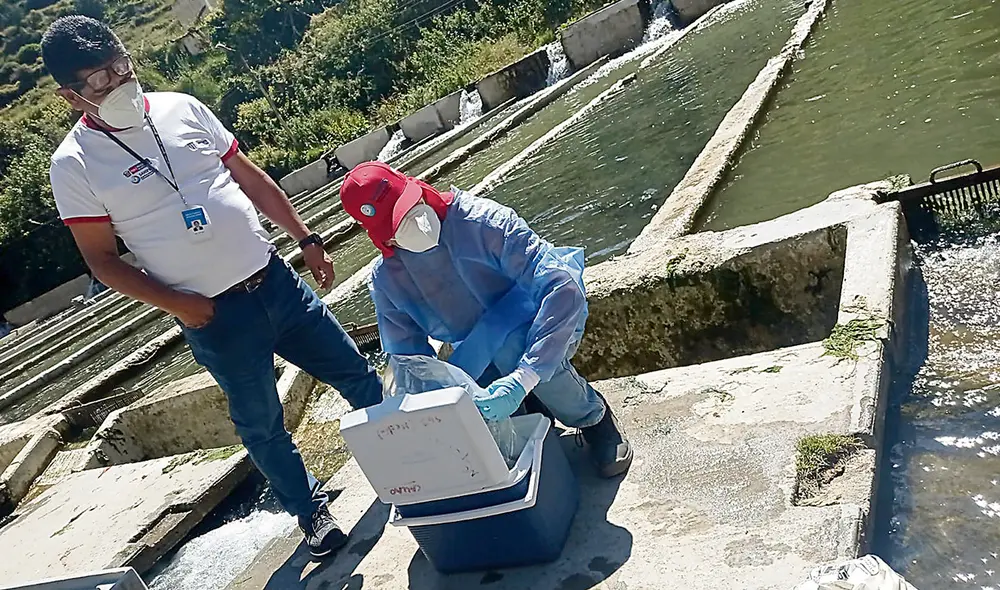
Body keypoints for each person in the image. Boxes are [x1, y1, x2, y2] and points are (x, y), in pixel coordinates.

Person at [41, 16, 381, 557]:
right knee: (263, 426)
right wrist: (183, 306)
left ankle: (408, 456)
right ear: (71, 95)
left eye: (121, 64)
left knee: (359, 376)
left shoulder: (181, 107)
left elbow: (247, 176)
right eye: (99, 79)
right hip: (216, 317)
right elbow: (102, 262)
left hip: (276, 281)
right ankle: (311, 511)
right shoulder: (75, 164)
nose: (119, 81)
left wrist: (306, 237)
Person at [341, 162, 632, 478]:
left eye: (412, 205)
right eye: (399, 223)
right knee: (462, 390)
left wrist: (525, 376)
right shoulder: (388, 280)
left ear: (419, 188)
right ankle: (535, 411)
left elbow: (561, 287)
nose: (417, 223)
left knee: (512, 349)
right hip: (477, 345)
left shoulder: (483, 221)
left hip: (542, 320)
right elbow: (408, 359)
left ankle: (594, 417)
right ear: (382, 238)